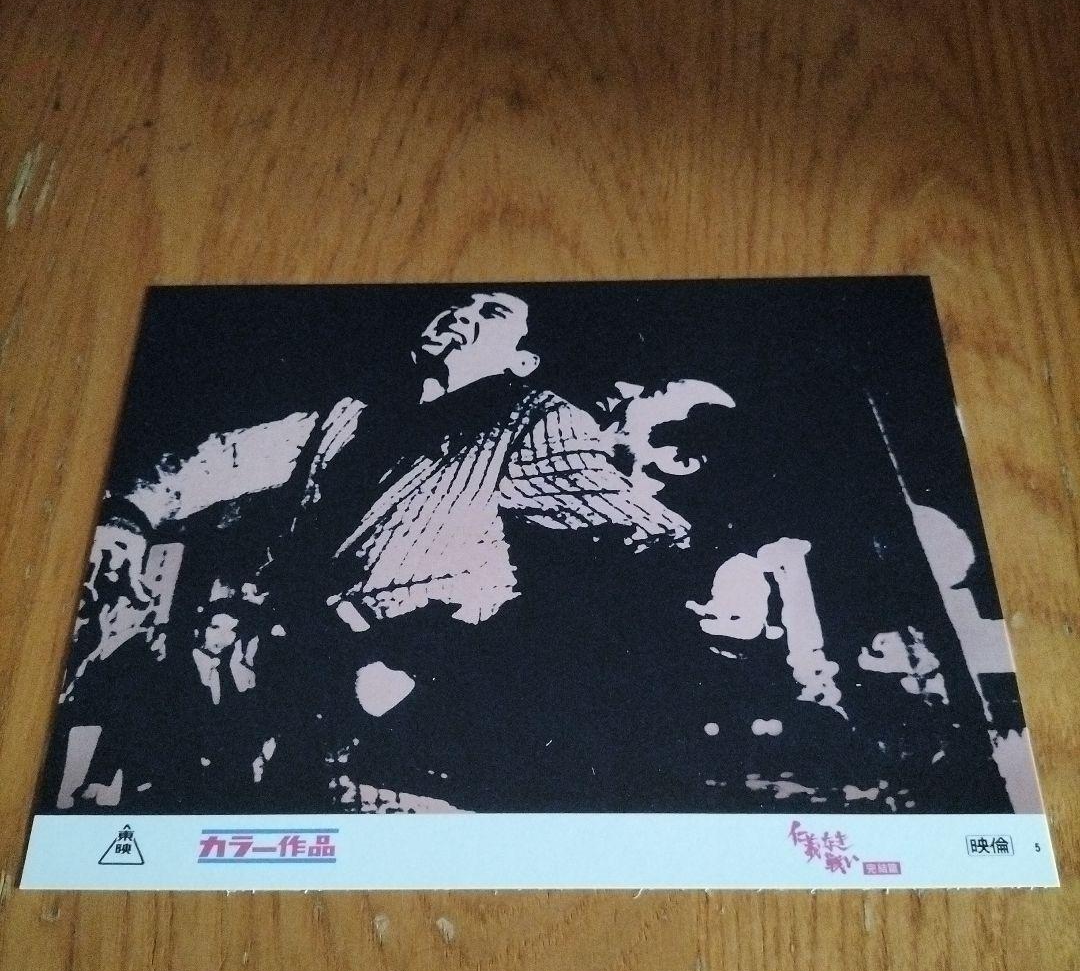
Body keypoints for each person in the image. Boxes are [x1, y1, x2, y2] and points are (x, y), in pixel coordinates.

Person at [67, 292, 702, 810]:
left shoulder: (538, 420)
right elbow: (221, 459)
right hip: (263, 671)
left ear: (522, 359)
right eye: (460, 303)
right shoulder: (353, 412)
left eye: (491, 314)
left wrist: (436, 653)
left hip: (379, 718)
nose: (460, 314)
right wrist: (128, 519)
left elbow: (645, 536)